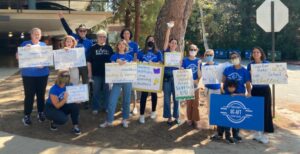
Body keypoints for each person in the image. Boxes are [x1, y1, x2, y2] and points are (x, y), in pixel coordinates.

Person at [58, 12, 93, 109]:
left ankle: (86, 100)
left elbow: (92, 54)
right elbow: (67, 28)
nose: (82, 32)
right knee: (74, 82)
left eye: (84, 31)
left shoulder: (90, 42)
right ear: (78, 31)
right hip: (75, 65)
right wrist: (62, 18)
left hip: (85, 65)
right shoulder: (74, 38)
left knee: (86, 83)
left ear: (86, 32)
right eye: (81, 30)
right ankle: (74, 98)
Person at [16, 28, 49, 126]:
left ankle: (40, 112)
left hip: (42, 74)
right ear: (31, 35)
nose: (37, 35)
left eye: (38, 34)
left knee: (41, 94)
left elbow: (48, 58)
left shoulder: (43, 45)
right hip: (28, 75)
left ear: (41, 35)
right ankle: (27, 115)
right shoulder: (25, 44)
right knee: (29, 95)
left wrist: (44, 64)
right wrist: (24, 50)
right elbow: (18, 56)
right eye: (35, 34)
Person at [99, 40, 133, 128]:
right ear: (117, 46)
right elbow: (111, 68)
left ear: (126, 47)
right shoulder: (113, 56)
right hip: (117, 81)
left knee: (126, 101)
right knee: (112, 101)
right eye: (119, 44)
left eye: (123, 44)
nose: (121, 46)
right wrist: (115, 62)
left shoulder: (129, 56)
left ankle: (125, 119)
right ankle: (109, 120)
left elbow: (132, 68)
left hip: (127, 81)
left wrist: (127, 64)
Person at [222, 51, 251, 143]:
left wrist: (249, 92)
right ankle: (227, 135)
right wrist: (222, 90)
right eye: (232, 58)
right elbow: (223, 81)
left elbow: (247, 84)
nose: (234, 59)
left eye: (236, 57)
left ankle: (236, 134)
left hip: (239, 96)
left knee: (237, 115)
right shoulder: (227, 69)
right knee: (228, 115)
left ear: (240, 58)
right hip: (228, 96)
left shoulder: (245, 71)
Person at [247, 47, 274, 144]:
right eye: (254, 52)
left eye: (257, 52)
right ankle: (257, 133)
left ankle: (265, 135)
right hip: (255, 90)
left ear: (261, 53)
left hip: (265, 90)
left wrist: (282, 75)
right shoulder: (250, 65)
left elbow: (274, 74)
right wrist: (249, 91)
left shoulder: (266, 64)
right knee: (255, 112)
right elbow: (248, 80)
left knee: (266, 112)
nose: (255, 53)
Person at [44, 70, 81, 135]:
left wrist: (77, 100)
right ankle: (53, 122)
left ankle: (76, 127)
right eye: (64, 76)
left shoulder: (70, 85)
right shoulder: (54, 89)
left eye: (68, 75)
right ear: (60, 77)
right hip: (51, 107)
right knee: (63, 120)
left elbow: (73, 97)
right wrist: (65, 98)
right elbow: (57, 106)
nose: (67, 77)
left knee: (75, 106)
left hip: (63, 104)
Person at [137, 35, 163, 124]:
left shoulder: (158, 52)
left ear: (154, 42)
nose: (151, 41)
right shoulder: (141, 52)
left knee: (154, 94)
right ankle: (141, 115)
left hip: (154, 77)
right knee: (143, 95)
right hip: (144, 77)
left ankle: (153, 111)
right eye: (149, 40)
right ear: (146, 41)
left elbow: (161, 62)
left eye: (152, 40)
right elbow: (137, 61)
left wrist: (155, 63)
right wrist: (141, 62)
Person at [87, 30, 114, 115]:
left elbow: (113, 61)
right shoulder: (92, 48)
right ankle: (95, 107)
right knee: (96, 91)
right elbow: (89, 62)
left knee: (107, 91)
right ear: (97, 38)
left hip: (108, 74)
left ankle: (106, 107)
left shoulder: (109, 48)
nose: (102, 38)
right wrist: (90, 73)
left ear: (106, 38)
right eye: (100, 36)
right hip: (96, 74)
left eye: (104, 37)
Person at [211, 79, 242, 144]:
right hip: (224, 113)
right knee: (223, 124)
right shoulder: (224, 93)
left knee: (234, 123)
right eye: (230, 87)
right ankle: (222, 135)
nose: (231, 89)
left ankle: (233, 136)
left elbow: (244, 95)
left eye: (233, 87)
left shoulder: (237, 93)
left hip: (233, 113)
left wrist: (235, 95)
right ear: (227, 87)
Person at [162, 21, 181, 125]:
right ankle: (168, 117)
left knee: (176, 98)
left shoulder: (178, 55)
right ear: (169, 44)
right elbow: (166, 39)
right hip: (166, 79)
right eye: (172, 42)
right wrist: (169, 28)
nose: (173, 44)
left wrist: (181, 68)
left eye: (175, 43)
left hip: (176, 79)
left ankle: (176, 116)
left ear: (177, 45)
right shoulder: (166, 52)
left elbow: (180, 67)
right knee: (166, 98)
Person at [181, 44, 202, 129]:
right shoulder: (185, 60)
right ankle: (189, 119)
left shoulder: (198, 61)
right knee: (189, 103)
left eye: (194, 49)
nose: (192, 51)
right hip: (187, 85)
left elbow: (200, 75)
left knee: (196, 103)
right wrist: (181, 68)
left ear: (196, 51)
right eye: (191, 49)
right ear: (188, 50)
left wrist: (198, 67)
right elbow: (182, 72)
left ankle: (195, 120)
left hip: (196, 85)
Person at [120, 28, 139, 115]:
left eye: (128, 33)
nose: (126, 35)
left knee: (132, 89)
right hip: (122, 69)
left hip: (131, 68)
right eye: (125, 33)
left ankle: (134, 107)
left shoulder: (134, 44)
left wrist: (133, 65)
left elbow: (135, 56)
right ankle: (124, 106)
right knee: (124, 89)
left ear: (130, 35)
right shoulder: (120, 43)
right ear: (123, 35)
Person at [203, 49, 221, 115]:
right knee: (210, 107)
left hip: (217, 89)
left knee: (217, 106)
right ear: (205, 56)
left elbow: (221, 78)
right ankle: (211, 123)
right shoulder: (204, 66)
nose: (209, 56)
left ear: (213, 55)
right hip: (208, 89)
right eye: (207, 55)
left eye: (211, 55)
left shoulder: (217, 65)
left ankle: (217, 123)